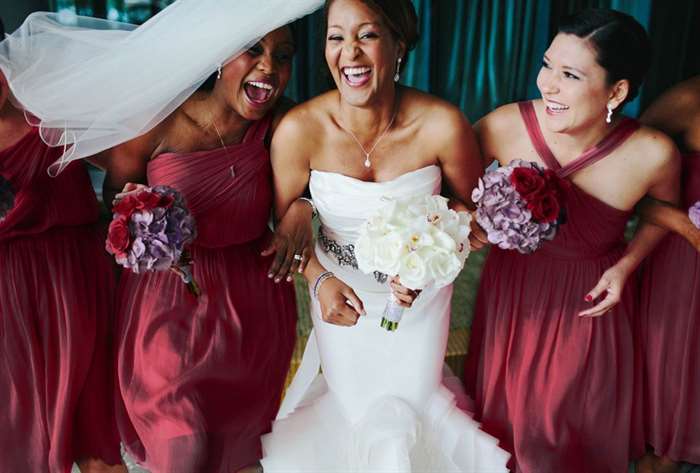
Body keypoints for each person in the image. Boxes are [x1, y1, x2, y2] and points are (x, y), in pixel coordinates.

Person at [0, 2, 322, 472]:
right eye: (251, 49)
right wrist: (134, 223)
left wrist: (303, 206)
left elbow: (333, 169)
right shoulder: (156, 121)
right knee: (181, 451)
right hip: (164, 310)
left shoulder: (287, 126)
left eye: (284, 54)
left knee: (237, 457)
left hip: (249, 311)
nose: (269, 66)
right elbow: (114, 210)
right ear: (219, 56)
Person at [260, 1, 510, 471]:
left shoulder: (442, 124)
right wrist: (317, 280)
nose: (349, 53)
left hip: (421, 302)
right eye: (336, 37)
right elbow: (286, 235)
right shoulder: (299, 131)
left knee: (411, 407)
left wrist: (435, 252)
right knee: (354, 408)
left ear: (400, 46)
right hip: (340, 300)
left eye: (367, 35)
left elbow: (473, 221)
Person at [463, 9, 680, 473]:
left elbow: (661, 216)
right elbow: (448, 185)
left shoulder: (653, 154)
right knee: (504, 431)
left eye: (571, 75)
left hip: (589, 303)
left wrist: (626, 266)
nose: (548, 85)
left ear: (617, 91)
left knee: (562, 433)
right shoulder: (504, 125)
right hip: (511, 294)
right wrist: (467, 221)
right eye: (547, 65)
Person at [0, 17, 124, 473]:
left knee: (95, 434)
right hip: (6, 300)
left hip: (75, 281)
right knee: (15, 437)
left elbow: (125, 163)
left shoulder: (52, 106)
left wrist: (134, 210)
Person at [636, 75, 700, 473]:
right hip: (685, 258)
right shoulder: (690, 98)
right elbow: (625, 183)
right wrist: (685, 226)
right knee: (672, 364)